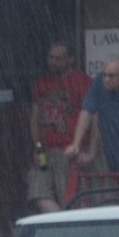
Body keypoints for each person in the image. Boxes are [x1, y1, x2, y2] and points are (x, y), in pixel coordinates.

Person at [26, 39, 92, 212]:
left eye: (59, 58)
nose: (53, 62)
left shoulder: (83, 81)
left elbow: (93, 118)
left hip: (71, 152)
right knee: (38, 192)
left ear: (70, 59)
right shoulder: (42, 83)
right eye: (51, 57)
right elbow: (35, 118)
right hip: (46, 151)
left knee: (70, 197)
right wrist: (38, 147)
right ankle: (62, 224)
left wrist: (91, 150)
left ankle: (69, 229)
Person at [65, 54, 119, 178]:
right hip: (113, 148)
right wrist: (76, 143)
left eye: (111, 76)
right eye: (104, 75)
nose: (106, 79)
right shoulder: (98, 84)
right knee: (117, 188)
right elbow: (86, 113)